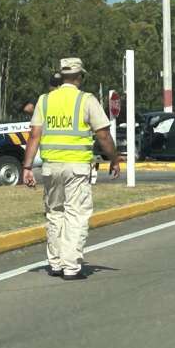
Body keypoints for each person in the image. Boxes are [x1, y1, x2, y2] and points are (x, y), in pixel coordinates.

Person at [22, 57, 121, 280]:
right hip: (76, 166)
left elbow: (34, 135)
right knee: (76, 214)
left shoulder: (45, 100)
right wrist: (114, 158)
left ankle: (55, 262)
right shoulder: (86, 100)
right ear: (79, 77)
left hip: (51, 166)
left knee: (55, 213)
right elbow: (103, 135)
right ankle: (71, 266)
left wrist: (27, 167)